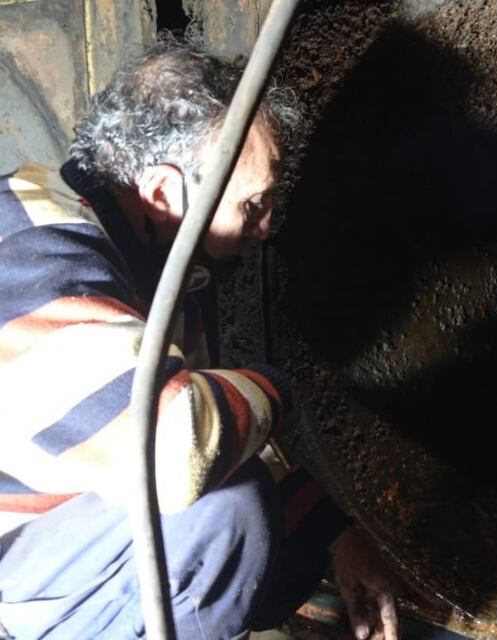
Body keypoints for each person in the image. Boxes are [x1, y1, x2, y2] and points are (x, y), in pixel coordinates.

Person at [0, 39, 399, 640]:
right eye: (253, 204)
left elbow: (217, 432)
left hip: (60, 527)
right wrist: (281, 388)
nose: (264, 229)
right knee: (223, 513)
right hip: (11, 560)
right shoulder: (36, 252)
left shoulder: (156, 262)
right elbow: (175, 452)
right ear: (163, 191)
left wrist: (334, 534)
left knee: (274, 531)